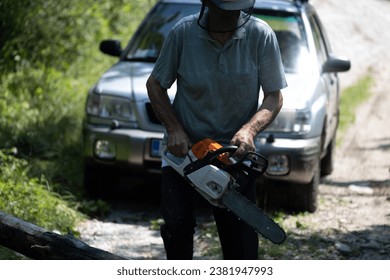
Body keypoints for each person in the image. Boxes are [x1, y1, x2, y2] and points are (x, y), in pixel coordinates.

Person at [146, 0, 287, 260]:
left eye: (238, 7)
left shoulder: (260, 34)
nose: (234, 14)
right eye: (227, 8)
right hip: (184, 156)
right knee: (177, 228)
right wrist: (175, 129)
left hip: (233, 156)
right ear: (208, 3)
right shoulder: (183, 33)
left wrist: (249, 130)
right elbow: (156, 85)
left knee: (241, 244)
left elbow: (274, 97)